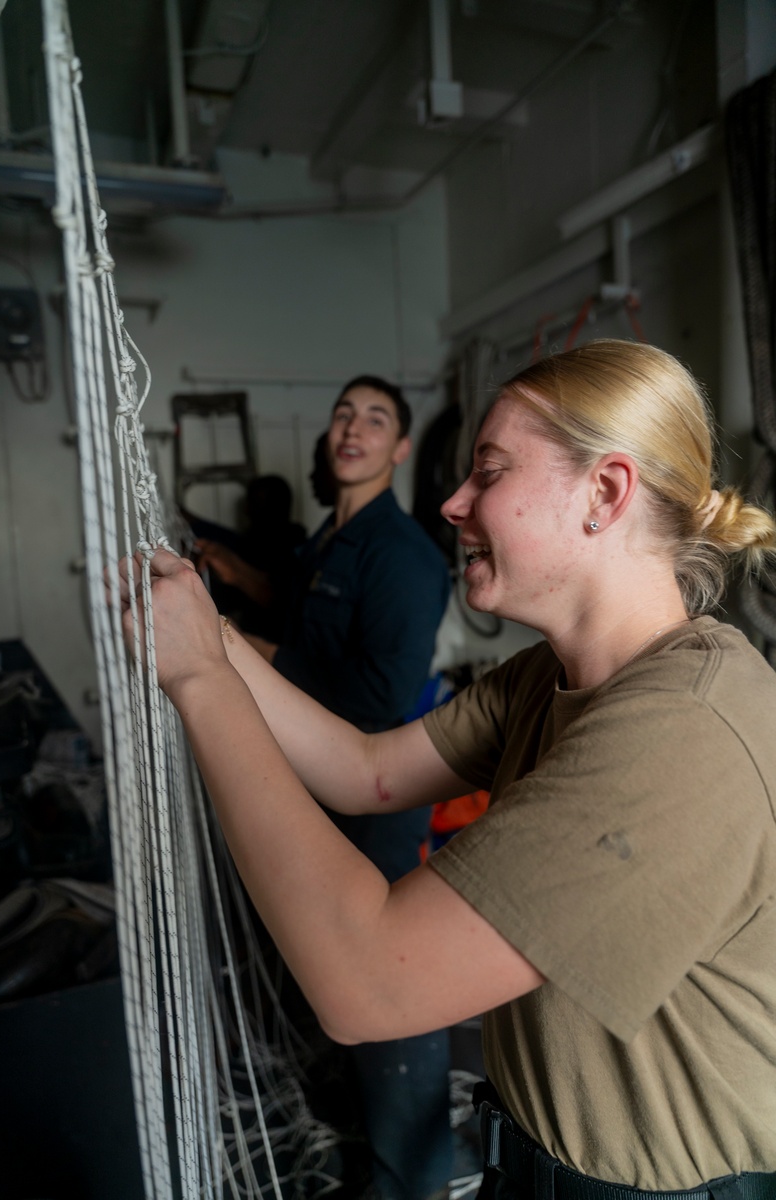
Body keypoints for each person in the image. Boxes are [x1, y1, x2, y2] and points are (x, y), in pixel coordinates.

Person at [115, 339, 776, 1200]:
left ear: (604, 493)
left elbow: (364, 985)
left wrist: (199, 676)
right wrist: (214, 635)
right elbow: (366, 770)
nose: (455, 500)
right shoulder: (552, 674)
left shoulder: (679, 732)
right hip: (531, 1164)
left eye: (490, 472)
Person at [241, 376, 454, 1200]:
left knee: (387, 998)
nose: (352, 429)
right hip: (316, 800)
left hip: (376, 809)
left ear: (401, 449)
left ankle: (412, 1183)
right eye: (342, 415)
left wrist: (248, 655)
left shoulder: (401, 556)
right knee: (337, 999)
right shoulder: (331, 542)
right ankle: (366, 1156)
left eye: (375, 419)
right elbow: (305, 629)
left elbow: (374, 702)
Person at [184, 474, 306, 642]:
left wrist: (237, 574)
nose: (248, 510)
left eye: (258, 504)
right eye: (251, 503)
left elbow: (282, 601)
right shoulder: (249, 541)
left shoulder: (293, 549)